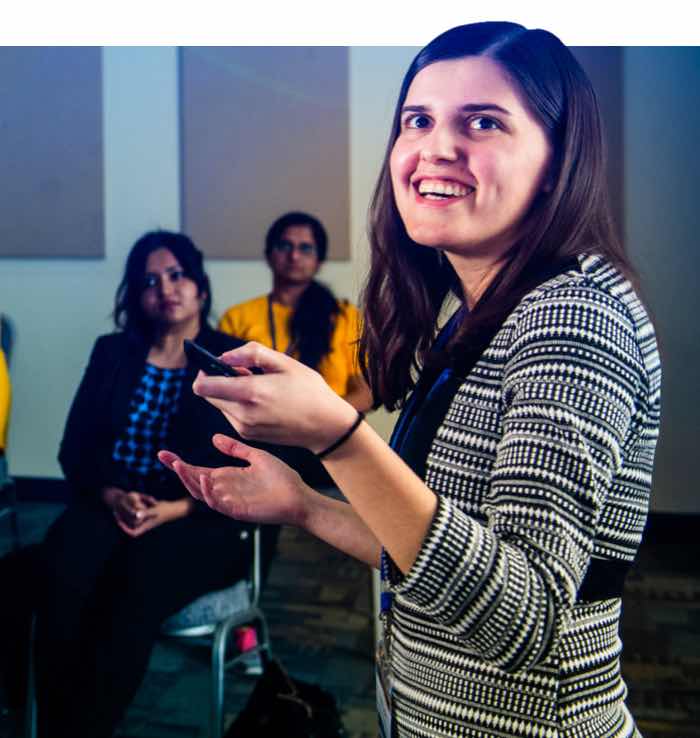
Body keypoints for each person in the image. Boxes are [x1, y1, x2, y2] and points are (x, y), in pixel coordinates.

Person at [160, 22, 661, 738]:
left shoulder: (574, 316)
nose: (436, 147)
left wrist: (336, 435)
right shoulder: (481, 307)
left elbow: (523, 621)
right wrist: (302, 503)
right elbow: (437, 549)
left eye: (483, 122)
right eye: (417, 120)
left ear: (556, 160)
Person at [0, 231, 282, 738]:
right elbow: (75, 449)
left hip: (200, 514)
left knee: (131, 586)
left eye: (176, 275)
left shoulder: (231, 361)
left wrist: (172, 509)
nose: (165, 289)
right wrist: (112, 495)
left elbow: (252, 469)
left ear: (199, 286)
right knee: (60, 573)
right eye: (150, 280)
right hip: (115, 499)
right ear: (136, 293)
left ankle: (81, 727)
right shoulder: (113, 352)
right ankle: (50, 721)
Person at [218, 211, 372, 412]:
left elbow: (365, 393)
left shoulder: (345, 316)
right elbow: (225, 387)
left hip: (327, 432)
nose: (294, 256)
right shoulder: (237, 317)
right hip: (258, 429)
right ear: (268, 255)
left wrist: (314, 419)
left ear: (319, 261)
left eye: (305, 248)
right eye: (285, 246)